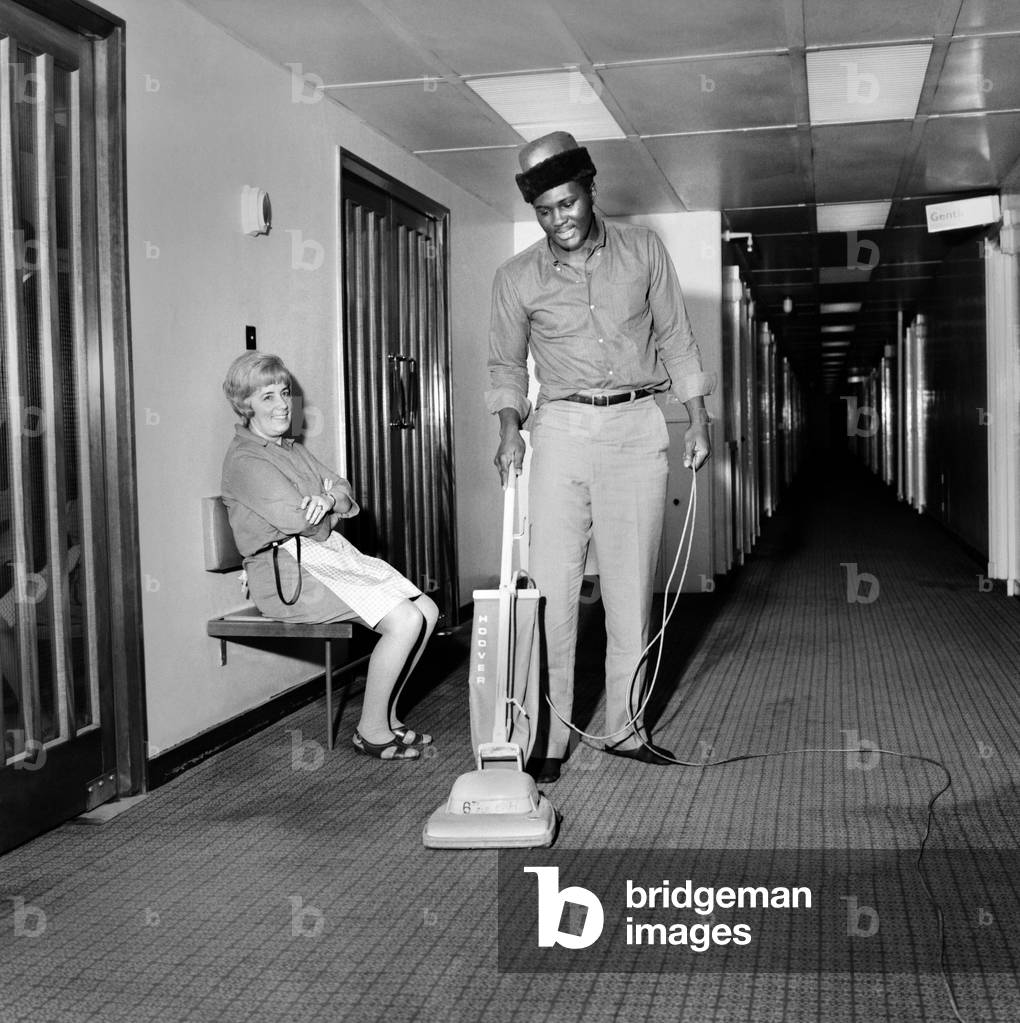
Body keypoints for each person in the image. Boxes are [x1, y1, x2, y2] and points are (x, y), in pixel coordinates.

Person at [487, 131, 714, 783]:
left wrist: (697, 420)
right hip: (558, 426)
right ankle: (544, 737)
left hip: (638, 424)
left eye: (568, 203)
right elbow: (504, 364)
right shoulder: (515, 277)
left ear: (591, 189)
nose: (559, 220)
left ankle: (624, 726)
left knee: (627, 587)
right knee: (552, 592)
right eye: (545, 211)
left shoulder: (644, 251)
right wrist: (511, 426)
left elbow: (676, 337)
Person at [221, 352, 438, 761]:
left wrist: (329, 499)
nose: (283, 404)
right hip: (284, 574)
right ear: (245, 405)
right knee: (404, 619)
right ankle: (370, 731)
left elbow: (344, 489)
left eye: (284, 392)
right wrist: (326, 507)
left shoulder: (290, 448)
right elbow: (307, 523)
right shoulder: (246, 459)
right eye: (267, 397)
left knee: (425, 609)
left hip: (324, 556)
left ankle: (387, 719)